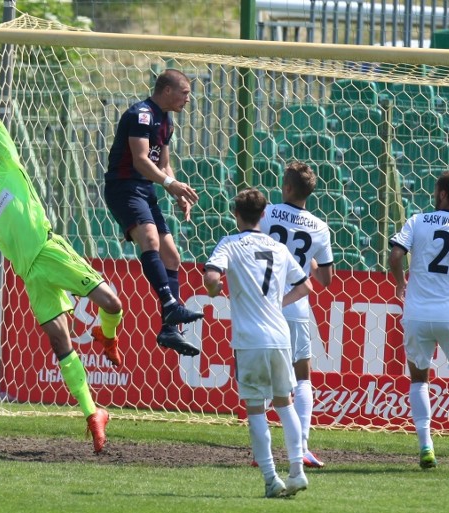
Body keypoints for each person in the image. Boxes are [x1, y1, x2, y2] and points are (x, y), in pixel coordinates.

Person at [0, 67, 124, 453]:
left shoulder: (9, 168)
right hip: (31, 276)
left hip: (49, 250)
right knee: (61, 341)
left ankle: (108, 337)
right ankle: (94, 413)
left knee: (113, 304)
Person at [203, 188, 313, 498]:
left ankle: (270, 478)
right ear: (263, 215)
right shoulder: (278, 248)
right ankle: (296, 470)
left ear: (236, 214)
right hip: (279, 337)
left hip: (249, 341)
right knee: (285, 402)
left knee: (255, 409)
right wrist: (278, 304)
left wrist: (213, 291)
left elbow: (212, 278)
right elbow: (305, 285)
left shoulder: (230, 243)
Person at [388, 170, 449, 474]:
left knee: (419, 379)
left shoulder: (417, 221)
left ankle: (426, 448)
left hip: (417, 313)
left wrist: (400, 282)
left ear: (443, 194)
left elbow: (395, 256)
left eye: (436, 190)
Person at [104, 69, 203, 357]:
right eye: (185, 92)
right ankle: (171, 305)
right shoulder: (141, 115)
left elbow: (164, 164)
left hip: (146, 190)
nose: (188, 98)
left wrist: (176, 192)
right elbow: (140, 160)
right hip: (124, 187)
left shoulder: (166, 120)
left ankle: (169, 329)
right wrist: (170, 183)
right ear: (168, 90)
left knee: (172, 256)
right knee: (150, 239)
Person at [259, 161, 334, 468]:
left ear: (287, 187)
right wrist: (307, 264)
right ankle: (302, 447)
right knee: (302, 377)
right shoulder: (319, 227)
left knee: (264, 377)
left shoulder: (266, 213)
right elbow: (326, 280)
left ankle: (260, 452)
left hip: (264, 305)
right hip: (297, 307)